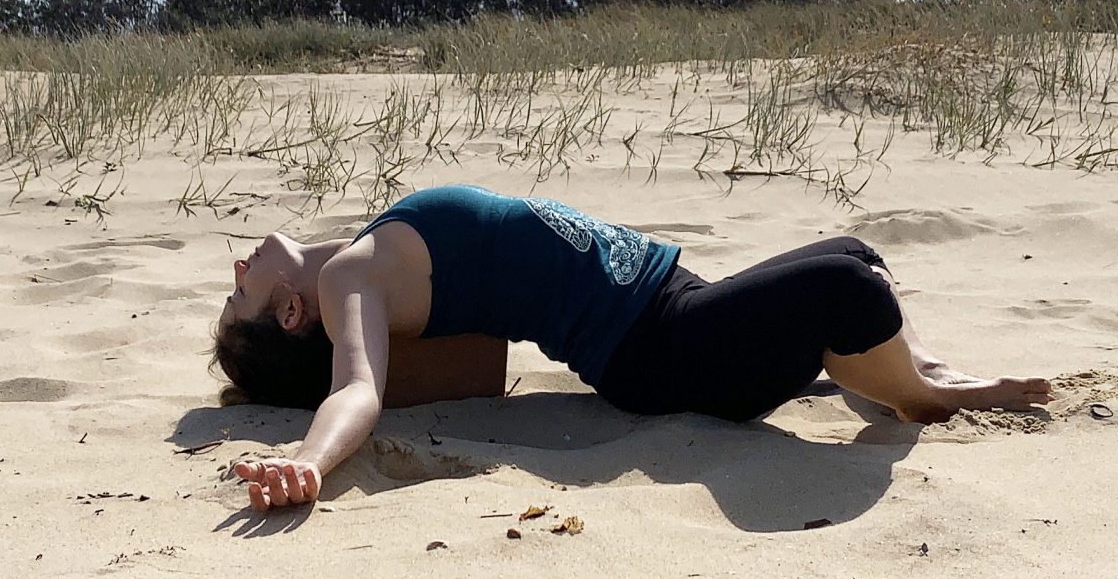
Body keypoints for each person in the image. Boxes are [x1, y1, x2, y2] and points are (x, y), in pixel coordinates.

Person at [212, 184, 1052, 512]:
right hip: (656, 350)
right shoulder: (347, 281)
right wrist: (312, 463)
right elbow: (357, 387)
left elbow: (481, 367)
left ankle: (888, 376)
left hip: (671, 296)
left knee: (852, 256)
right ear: (290, 316)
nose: (241, 263)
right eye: (241, 289)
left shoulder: (370, 260)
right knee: (851, 291)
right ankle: (920, 394)